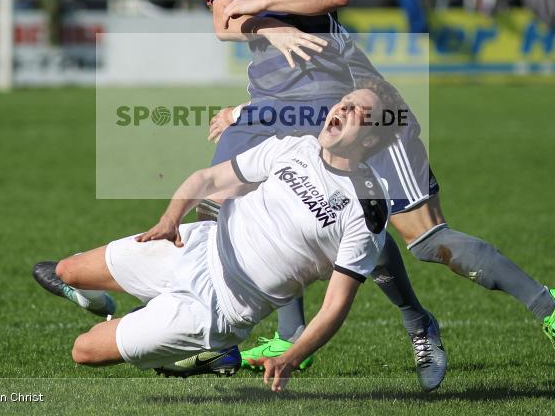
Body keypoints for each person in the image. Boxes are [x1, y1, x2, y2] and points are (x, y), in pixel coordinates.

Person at [197, 0, 555, 381]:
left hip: (360, 104)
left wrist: (261, 6)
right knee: (268, 205)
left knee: (424, 238)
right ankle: (291, 338)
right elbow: (222, 20)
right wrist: (275, 30)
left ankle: (544, 305)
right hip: (293, 110)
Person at [33, 83, 404, 393]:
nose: (342, 106)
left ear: (370, 137)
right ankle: (125, 309)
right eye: (345, 99)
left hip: (217, 308)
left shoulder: (368, 204)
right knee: (67, 270)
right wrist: (170, 218)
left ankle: (202, 347)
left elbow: (336, 303)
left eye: (357, 110)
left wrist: (291, 355)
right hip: (193, 246)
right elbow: (209, 180)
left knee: (83, 349)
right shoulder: (297, 147)